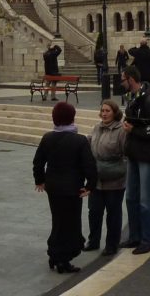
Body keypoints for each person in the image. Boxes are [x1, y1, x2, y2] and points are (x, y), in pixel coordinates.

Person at [33, 102, 97, 274]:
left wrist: (40, 180)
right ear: (72, 118)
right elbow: (89, 165)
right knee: (71, 223)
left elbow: (38, 162)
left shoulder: (48, 138)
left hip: (53, 187)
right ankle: (63, 260)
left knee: (58, 220)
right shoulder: (79, 140)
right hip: (72, 188)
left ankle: (54, 254)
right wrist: (90, 185)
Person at [120, 65, 150, 255]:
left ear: (131, 79)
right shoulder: (132, 100)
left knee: (146, 198)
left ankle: (148, 239)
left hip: (146, 155)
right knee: (131, 196)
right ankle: (135, 236)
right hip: (133, 153)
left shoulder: (149, 101)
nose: (121, 83)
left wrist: (134, 130)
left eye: (123, 79)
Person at [85, 99, 127, 256]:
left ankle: (111, 245)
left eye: (107, 111)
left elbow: (126, 153)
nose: (104, 114)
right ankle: (93, 241)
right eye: (102, 111)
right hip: (97, 179)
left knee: (113, 214)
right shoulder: (97, 127)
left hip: (114, 179)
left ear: (115, 113)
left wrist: (119, 167)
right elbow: (89, 144)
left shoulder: (121, 130)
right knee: (94, 211)